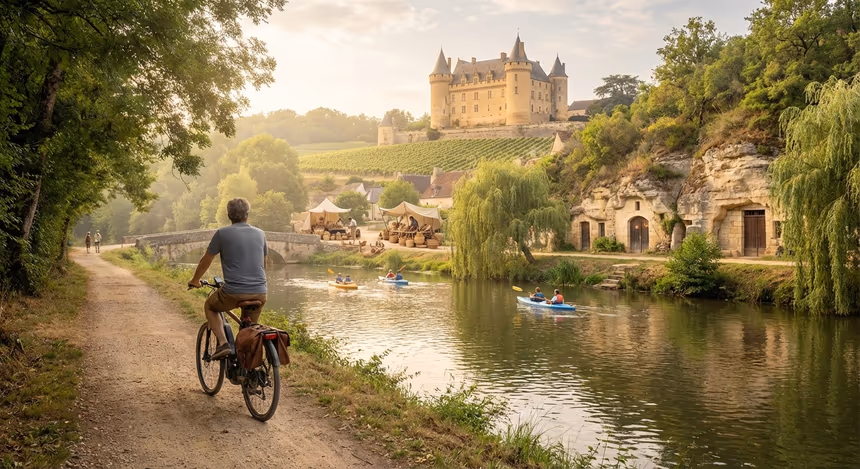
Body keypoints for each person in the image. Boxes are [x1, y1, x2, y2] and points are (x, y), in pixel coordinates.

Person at [188, 198, 267, 360]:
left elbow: (206, 260)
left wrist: (195, 280)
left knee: (210, 306)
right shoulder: (261, 233)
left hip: (234, 292)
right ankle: (249, 374)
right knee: (250, 329)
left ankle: (223, 344)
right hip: (260, 292)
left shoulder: (222, 233)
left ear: (229, 215)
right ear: (247, 214)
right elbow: (264, 264)